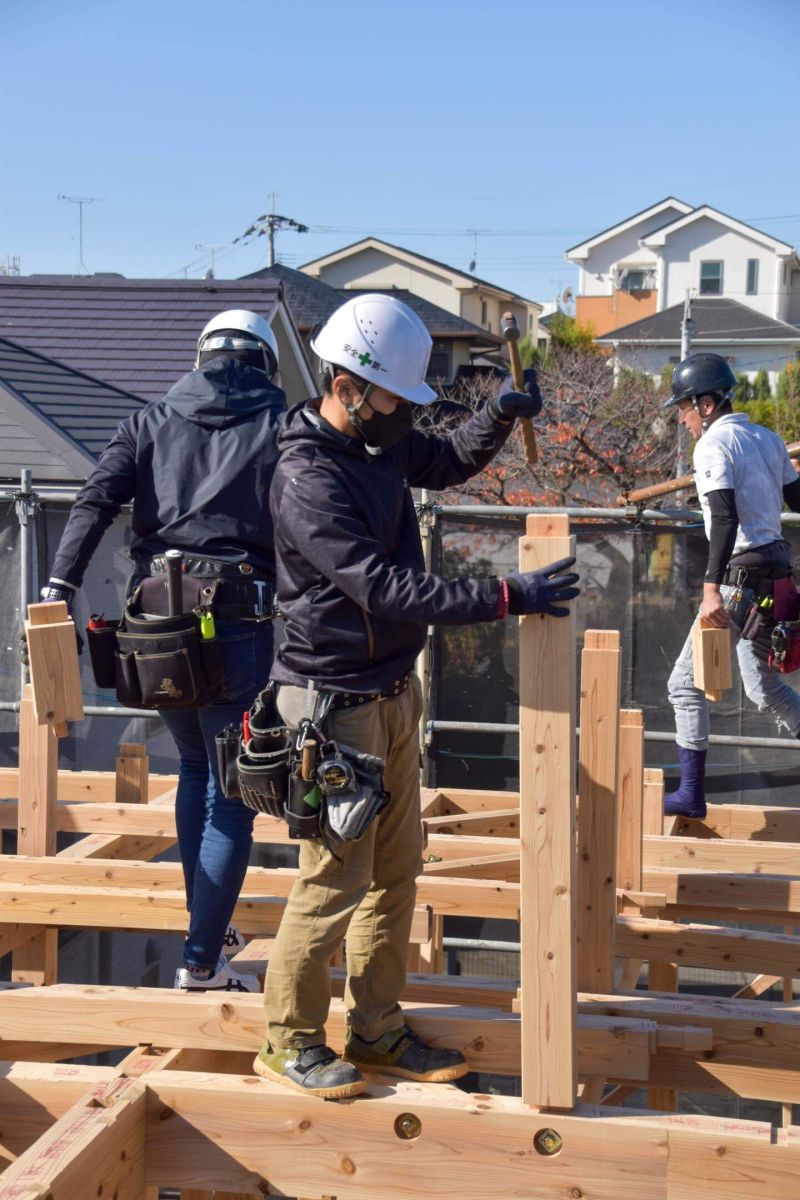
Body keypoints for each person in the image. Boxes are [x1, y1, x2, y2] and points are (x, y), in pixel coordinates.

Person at [252, 292, 579, 1099]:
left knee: (395, 871)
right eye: (396, 398)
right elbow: (383, 587)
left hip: (391, 692)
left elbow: (451, 456)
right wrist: (503, 598)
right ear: (349, 386)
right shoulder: (306, 474)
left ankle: (375, 1029)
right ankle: (289, 1040)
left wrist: (500, 412)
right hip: (330, 706)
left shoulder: (379, 443)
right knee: (334, 878)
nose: (405, 415)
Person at [40, 310, 286, 990]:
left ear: (201, 355)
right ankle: (203, 962)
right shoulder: (284, 426)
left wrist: (61, 580)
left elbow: (93, 501)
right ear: (265, 362)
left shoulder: (149, 421)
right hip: (237, 621)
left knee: (194, 769)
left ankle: (207, 925)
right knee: (233, 793)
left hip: (157, 623)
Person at [663, 352, 800, 819]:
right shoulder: (766, 438)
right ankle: (691, 793)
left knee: (683, 686)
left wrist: (710, 590)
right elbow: (798, 498)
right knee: (766, 692)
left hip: (741, 578)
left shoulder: (712, 445)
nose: (681, 418)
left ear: (705, 404)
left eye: (682, 407)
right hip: (776, 570)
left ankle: (691, 795)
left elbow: (724, 518)